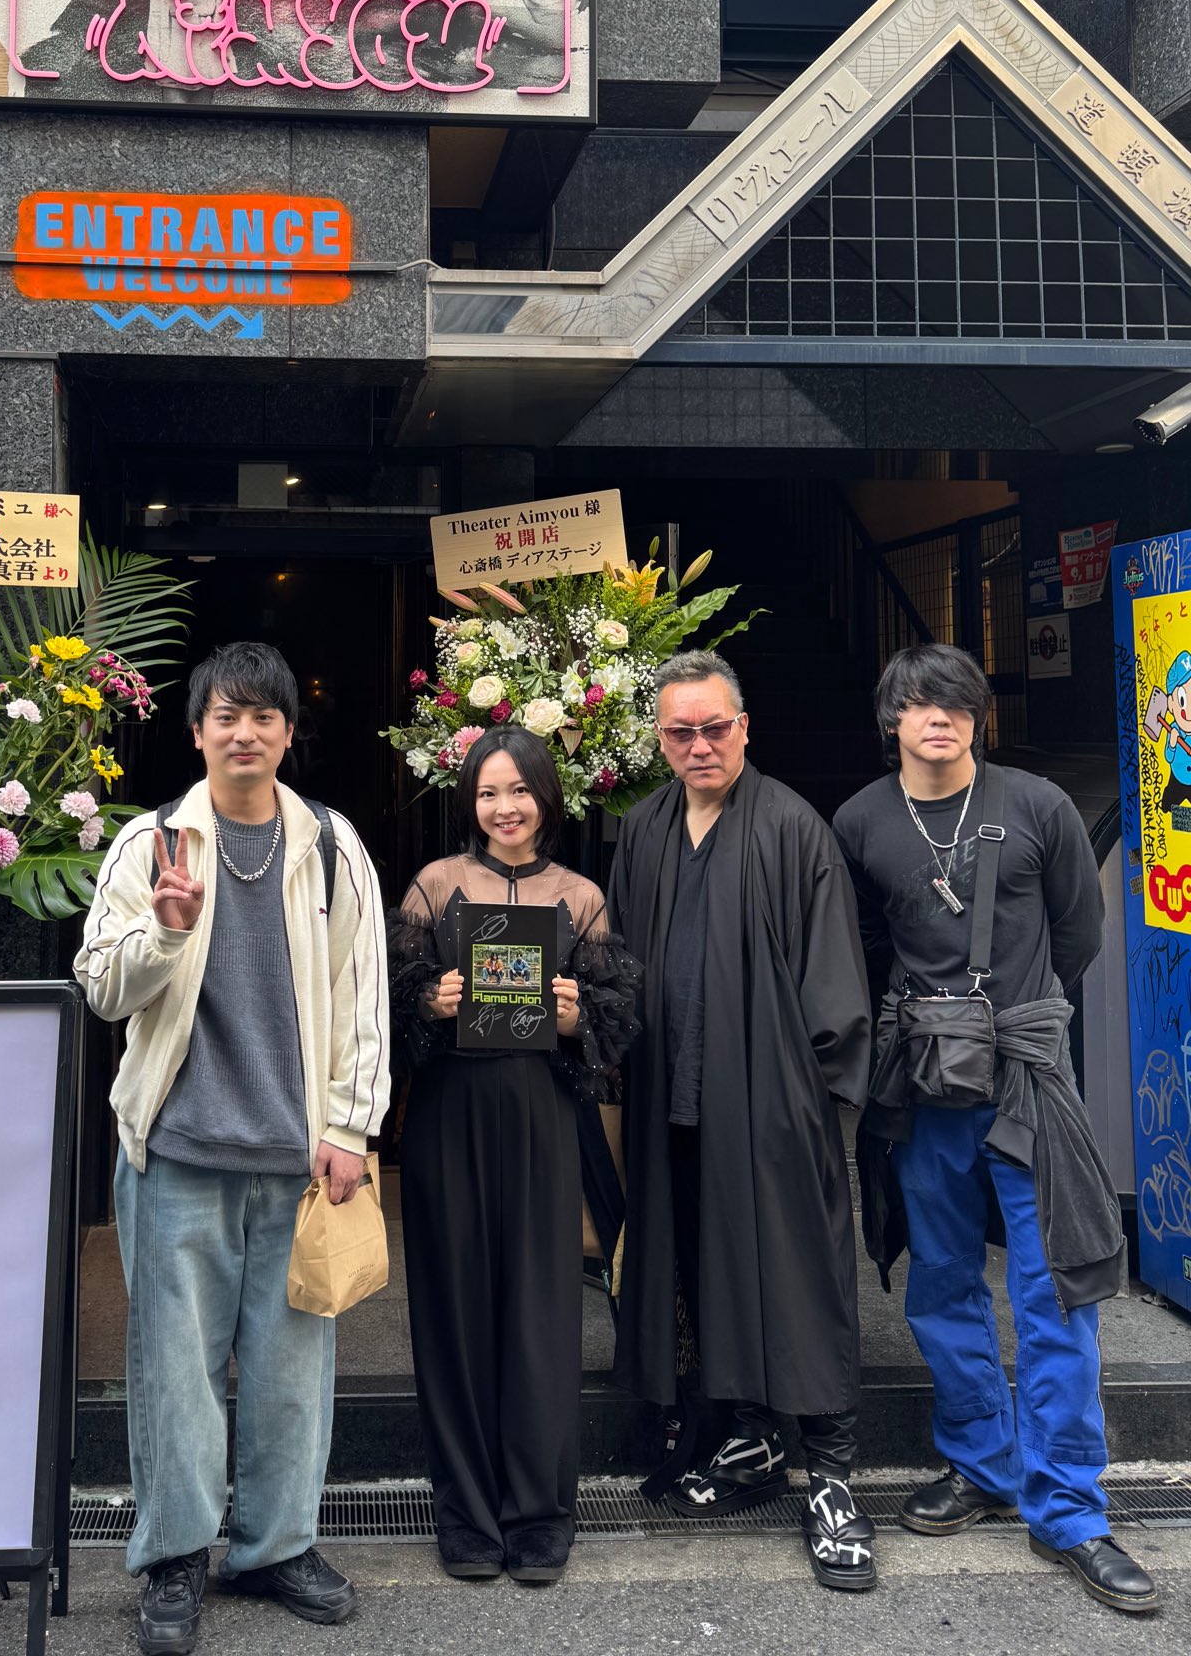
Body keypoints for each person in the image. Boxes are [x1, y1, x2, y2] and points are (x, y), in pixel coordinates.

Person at [75, 641, 390, 1655]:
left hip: (296, 1161)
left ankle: (274, 1545)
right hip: (176, 1151)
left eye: (263, 716)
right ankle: (175, 1554)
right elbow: (100, 986)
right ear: (197, 729)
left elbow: (362, 996)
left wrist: (350, 1126)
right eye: (226, 715)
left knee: (295, 1372)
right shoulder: (150, 842)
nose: (244, 732)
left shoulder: (331, 845)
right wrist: (165, 932)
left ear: (289, 733)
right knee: (174, 1371)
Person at [833, 644, 1157, 1615]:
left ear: (980, 715)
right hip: (922, 1081)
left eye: (958, 702)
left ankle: (1071, 1509)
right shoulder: (860, 820)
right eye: (920, 703)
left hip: (1026, 1075)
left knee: (1057, 1287)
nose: (940, 717)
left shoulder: (1039, 804)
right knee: (940, 1279)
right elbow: (859, 941)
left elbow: (1077, 934)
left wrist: (1008, 1017)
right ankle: (982, 1462)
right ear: (892, 718)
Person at [608, 651, 876, 1591]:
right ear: (659, 740)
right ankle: (750, 1441)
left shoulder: (794, 829)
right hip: (671, 1107)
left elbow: (835, 984)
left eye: (714, 727)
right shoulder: (644, 829)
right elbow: (621, 969)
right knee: (705, 1275)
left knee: (799, 1281)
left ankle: (833, 1481)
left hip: (771, 1109)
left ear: (745, 727)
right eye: (680, 731)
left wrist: (812, 1104)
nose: (700, 745)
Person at [388, 725, 638, 1585]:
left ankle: (539, 1513)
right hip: (448, 1118)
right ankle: (465, 1514)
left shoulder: (581, 896)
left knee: (541, 1313)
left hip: (542, 1119)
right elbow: (385, 1011)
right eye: (489, 792)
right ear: (470, 801)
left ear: (546, 799)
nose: (505, 808)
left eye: (520, 790)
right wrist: (430, 1000)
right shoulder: (434, 886)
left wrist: (577, 1019)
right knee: (452, 1313)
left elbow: (616, 1029)